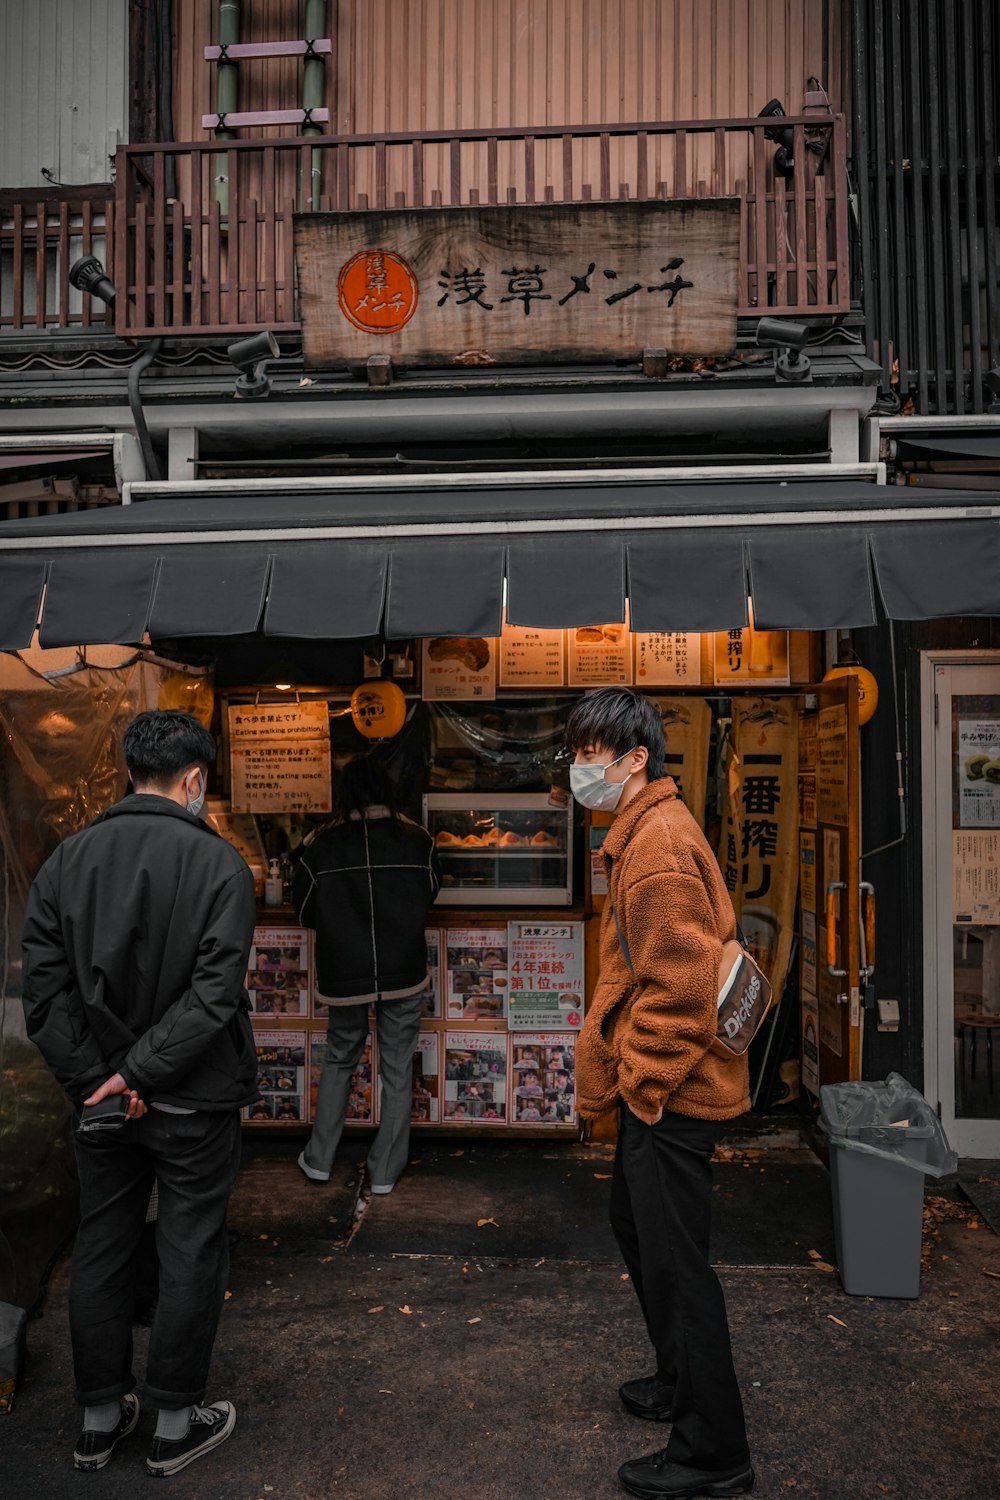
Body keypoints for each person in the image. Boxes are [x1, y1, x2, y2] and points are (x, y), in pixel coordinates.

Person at [20, 709, 256, 1478]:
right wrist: (142, 1073)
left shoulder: (65, 862)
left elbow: (44, 997)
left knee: (103, 1242)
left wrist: (100, 1079)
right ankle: (173, 1426)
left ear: (129, 771)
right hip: (193, 1096)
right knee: (190, 1246)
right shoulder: (220, 866)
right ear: (194, 780)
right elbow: (215, 994)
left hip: (99, 1102)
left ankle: (96, 1420)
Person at [566, 688, 754, 1500]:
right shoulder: (642, 830)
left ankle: (712, 1452)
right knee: (636, 1227)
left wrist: (642, 1084)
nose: (576, 769)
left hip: (671, 1091)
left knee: (679, 1264)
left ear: (633, 758)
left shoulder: (658, 844)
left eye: (586, 753)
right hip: (665, 1087)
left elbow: (680, 984)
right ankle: (679, 1383)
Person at [294, 755, 441, 1194]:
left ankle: (319, 1159)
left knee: (339, 1059)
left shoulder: (319, 844)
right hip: (404, 970)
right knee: (397, 1069)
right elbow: (431, 893)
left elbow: (303, 912)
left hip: (344, 971)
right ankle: (385, 1172)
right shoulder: (417, 839)